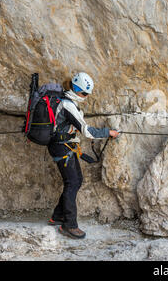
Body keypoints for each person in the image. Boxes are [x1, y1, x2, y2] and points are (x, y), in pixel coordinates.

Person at [46, 72, 119, 239]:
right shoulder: (67, 105)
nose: (85, 97)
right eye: (84, 93)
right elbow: (86, 131)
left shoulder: (68, 100)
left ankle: (57, 216)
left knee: (75, 181)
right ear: (77, 89)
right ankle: (69, 225)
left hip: (64, 146)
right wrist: (108, 132)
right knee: (72, 182)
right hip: (61, 147)